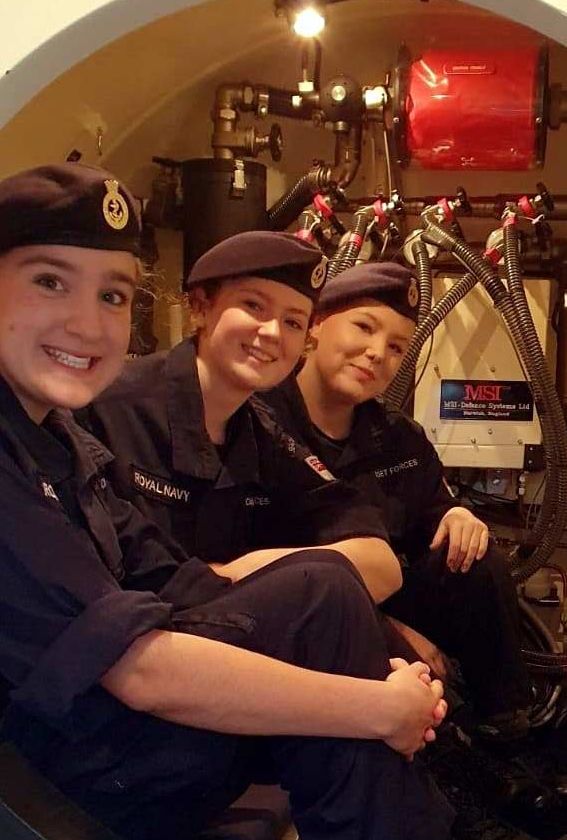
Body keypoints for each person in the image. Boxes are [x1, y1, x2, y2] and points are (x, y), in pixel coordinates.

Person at [0, 164, 461, 840]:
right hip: (29, 795)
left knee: (322, 587)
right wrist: (378, 706)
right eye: (50, 282)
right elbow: (140, 669)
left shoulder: (56, 439)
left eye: (112, 295)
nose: (88, 324)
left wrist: (375, 662)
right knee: (321, 608)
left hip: (93, 744)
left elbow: (180, 582)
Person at [264, 261, 534, 739]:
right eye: (364, 328)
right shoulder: (263, 425)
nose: (376, 355)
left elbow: (431, 511)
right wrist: (390, 627)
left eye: (396, 348)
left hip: (391, 594)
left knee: (479, 562)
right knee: (416, 680)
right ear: (316, 326)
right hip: (302, 611)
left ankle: (505, 727)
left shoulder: (397, 438)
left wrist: (457, 513)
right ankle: (446, 747)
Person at [78, 230, 398, 602]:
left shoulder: (264, 434)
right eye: (254, 306)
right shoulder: (108, 407)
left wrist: (238, 574)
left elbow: (382, 565)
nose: (273, 332)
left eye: (293, 322)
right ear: (200, 307)